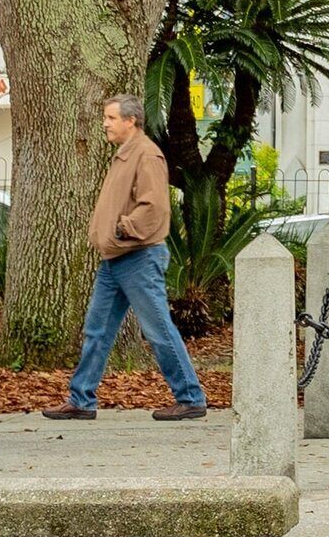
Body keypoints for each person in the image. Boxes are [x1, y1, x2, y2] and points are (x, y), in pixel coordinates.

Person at [43, 93, 207, 422]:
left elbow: (155, 207)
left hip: (139, 257)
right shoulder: (124, 154)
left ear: (130, 121)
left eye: (111, 118)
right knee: (97, 331)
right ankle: (81, 399)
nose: (105, 123)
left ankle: (190, 397)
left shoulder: (146, 155)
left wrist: (123, 229)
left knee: (159, 329)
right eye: (105, 118)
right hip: (115, 259)